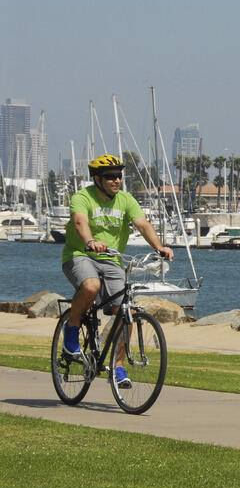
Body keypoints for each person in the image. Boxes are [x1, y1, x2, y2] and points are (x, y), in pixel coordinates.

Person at [61, 154, 175, 388]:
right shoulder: (82, 197)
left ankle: (118, 366)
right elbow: (80, 222)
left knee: (126, 312)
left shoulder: (125, 199)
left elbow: (142, 224)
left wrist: (159, 246)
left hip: (111, 260)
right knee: (91, 285)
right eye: (110, 177)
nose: (116, 181)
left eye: (119, 176)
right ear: (97, 179)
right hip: (80, 255)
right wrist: (90, 241)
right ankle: (72, 327)